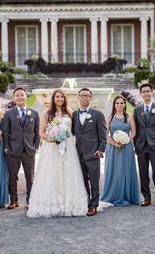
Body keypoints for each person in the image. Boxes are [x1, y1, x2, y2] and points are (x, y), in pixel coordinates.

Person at [28, 89, 88, 217]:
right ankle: (52, 204)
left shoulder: (70, 113)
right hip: (52, 147)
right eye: (57, 97)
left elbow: (72, 131)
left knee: (68, 173)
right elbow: (41, 133)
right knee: (52, 173)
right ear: (53, 99)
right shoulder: (46, 114)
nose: (59, 99)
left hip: (68, 148)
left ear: (64, 98)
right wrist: (54, 138)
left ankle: (69, 204)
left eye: (61, 97)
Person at [2, 87, 40, 209]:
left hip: (29, 151)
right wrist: (7, 148)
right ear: (14, 97)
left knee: (30, 177)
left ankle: (30, 200)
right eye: (17, 95)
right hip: (13, 150)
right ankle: (14, 200)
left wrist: (35, 147)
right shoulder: (8, 114)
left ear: (26, 96)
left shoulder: (34, 113)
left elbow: (37, 132)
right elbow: (5, 132)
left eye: (22, 95)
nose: (19, 97)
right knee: (12, 177)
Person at [72, 88, 107, 216]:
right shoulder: (74, 115)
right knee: (82, 181)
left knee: (94, 182)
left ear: (91, 98)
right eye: (82, 95)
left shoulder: (98, 114)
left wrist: (100, 150)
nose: (84, 98)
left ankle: (94, 205)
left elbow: (103, 135)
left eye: (87, 96)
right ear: (78, 97)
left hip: (93, 153)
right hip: (78, 154)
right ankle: (85, 202)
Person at [100, 95, 140, 206]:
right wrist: (115, 143)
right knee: (115, 170)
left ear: (124, 104)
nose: (119, 105)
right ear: (114, 105)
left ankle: (127, 195)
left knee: (126, 170)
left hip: (126, 147)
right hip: (113, 148)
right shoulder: (110, 118)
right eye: (117, 103)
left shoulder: (129, 117)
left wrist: (126, 140)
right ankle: (113, 194)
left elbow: (134, 133)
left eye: (121, 103)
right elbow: (105, 135)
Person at [133, 83, 155, 207]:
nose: (146, 93)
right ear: (141, 94)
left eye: (148, 91)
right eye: (144, 92)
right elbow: (135, 129)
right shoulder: (137, 110)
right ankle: (146, 197)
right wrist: (136, 145)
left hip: (154, 145)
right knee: (143, 173)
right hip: (141, 146)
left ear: (152, 92)